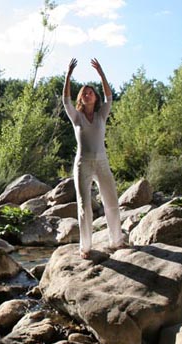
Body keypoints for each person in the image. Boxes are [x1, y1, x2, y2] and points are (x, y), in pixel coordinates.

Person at [62, 57, 125, 259]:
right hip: (83, 164)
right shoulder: (76, 117)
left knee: (112, 201)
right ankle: (86, 248)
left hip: (102, 163)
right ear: (81, 98)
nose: (87, 94)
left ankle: (117, 241)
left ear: (95, 98)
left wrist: (101, 73)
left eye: (90, 92)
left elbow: (109, 97)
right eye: (84, 93)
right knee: (84, 206)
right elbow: (65, 100)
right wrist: (68, 76)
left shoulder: (101, 114)